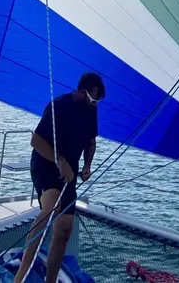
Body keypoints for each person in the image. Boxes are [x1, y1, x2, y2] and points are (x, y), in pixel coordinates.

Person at [13, 72, 105, 283]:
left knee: (64, 229)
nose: (94, 104)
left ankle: (51, 281)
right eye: (92, 99)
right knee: (50, 209)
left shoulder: (92, 111)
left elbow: (91, 142)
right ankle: (20, 278)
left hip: (70, 171)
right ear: (82, 92)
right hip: (45, 163)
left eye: (97, 101)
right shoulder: (58, 106)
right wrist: (60, 161)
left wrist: (87, 166)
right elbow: (36, 140)